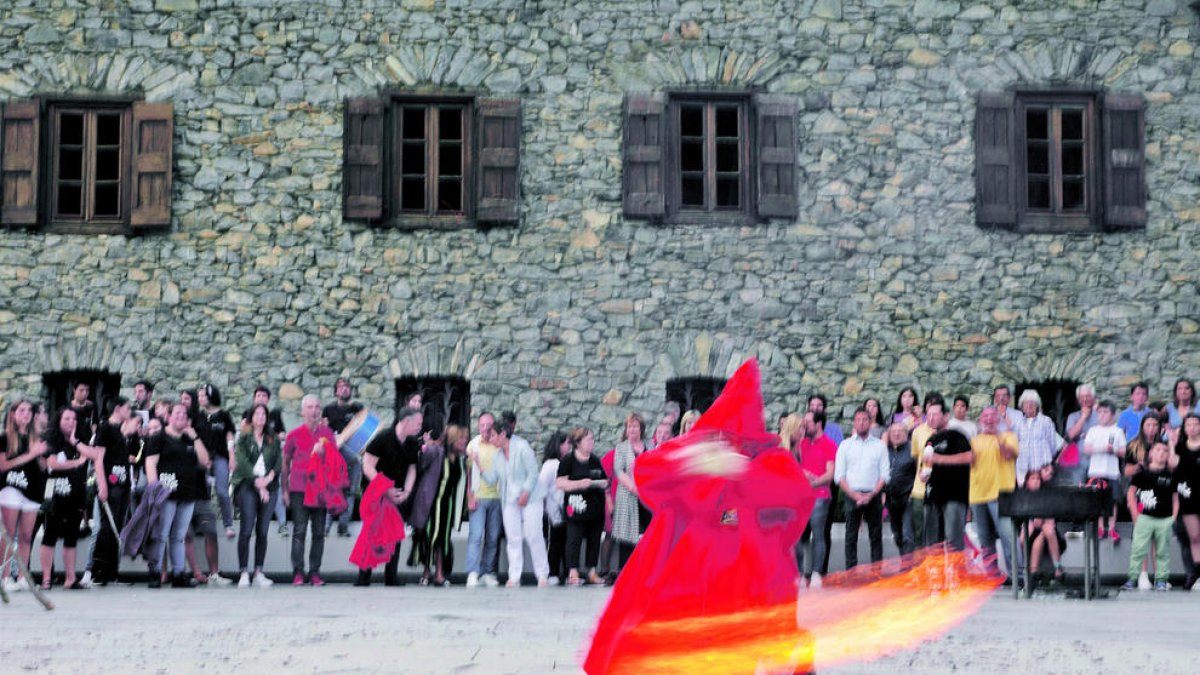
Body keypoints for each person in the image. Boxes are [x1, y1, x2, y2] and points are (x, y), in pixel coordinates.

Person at [144, 402, 208, 588]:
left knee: (179, 535)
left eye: (184, 414)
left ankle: (179, 573)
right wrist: (154, 489)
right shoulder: (159, 437)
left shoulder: (189, 439)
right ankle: (155, 573)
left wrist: (195, 437)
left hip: (187, 492)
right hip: (166, 492)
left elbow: (204, 461)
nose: (181, 416)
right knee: (161, 534)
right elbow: (150, 463)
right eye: (177, 413)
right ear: (168, 417)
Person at [356, 407, 420, 586]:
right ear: (406, 421)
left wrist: (406, 492)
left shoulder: (412, 442)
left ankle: (391, 577)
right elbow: (367, 466)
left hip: (398, 493)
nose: (419, 427)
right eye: (417, 424)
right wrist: (385, 489)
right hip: (377, 492)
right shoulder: (383, 438)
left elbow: (412, 468)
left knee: (395, 534)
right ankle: (363, 577)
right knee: (372, 533)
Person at [38, 408, 100, 590]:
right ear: (58, 420)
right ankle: (46, 578)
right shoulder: (52, 439)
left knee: (71, 535)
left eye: (74, 418)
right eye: (66, 418)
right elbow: (52, 464)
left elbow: (94, 455)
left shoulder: (78, 440)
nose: (71, 422)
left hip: (76, 492)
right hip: (55, 492)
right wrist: (77, 462)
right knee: (50, 534)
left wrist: (75, 441)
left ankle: (70, 578)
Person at [281, 394, 337, 586]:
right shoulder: (294, 435)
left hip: (320, 491)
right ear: (302, 411)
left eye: (317, 407)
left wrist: (325, 452)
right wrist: (284, 490)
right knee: (299, 530)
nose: (314, 411)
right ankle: (298, 571)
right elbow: (285, 464)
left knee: (319, 532)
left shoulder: (327, 434)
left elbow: (335, 462)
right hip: (299, 489)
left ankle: (314, 572)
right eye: (310, 407)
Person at [87, 397, 140, 586]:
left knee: (117, 527)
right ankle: (98, 572)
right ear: (117, 408)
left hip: (123, 483)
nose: (129, 411)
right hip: (110, 484)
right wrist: (102, 485)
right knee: (107, 527)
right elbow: (98, 459)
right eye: (127, 408)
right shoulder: (105, 428)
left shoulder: (121, 430)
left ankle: (112, 572)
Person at [492, 414, 549, 587]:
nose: (491, 439)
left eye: (493, 435)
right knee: (513, 538)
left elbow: (533, 472)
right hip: (509, 499)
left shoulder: (522, 446)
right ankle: (514, 575)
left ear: (503, 434)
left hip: (531, 497)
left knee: (534, 534)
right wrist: (478, 464)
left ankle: (542, 574)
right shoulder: (497, 455)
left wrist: (526, 492)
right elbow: (493, 478)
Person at [0, 399, 47, 592]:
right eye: (22, 410)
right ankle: (4, 577)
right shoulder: (5, 437)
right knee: (9, 535)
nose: (26, 414)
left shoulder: (36, 437)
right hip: (12, 486)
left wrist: (41, 454)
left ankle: (22, 576)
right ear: (13, 414)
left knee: (26, 536)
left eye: (29, 410)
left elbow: (43, 466)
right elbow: (3, 465)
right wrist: (30, 454)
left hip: (33, 489)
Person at [233, 404, 281, 588]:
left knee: (263, 530)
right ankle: (244, 572)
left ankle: (258, 572)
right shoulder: (244, 437)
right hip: (247, 483)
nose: (261, 416)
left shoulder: (272, 437)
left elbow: (278, 461)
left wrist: (268, 479)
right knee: (246, 529)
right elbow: (242, 462)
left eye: (263, 414)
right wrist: (259, 484)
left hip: (270, 485)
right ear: (251, 417)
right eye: (257, 413)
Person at [835, 409, 889, 570]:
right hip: (852, 495)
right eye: (858, 419)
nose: (861, 423)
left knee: (876, 536)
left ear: (870, 422)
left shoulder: (879, 445)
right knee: (851, 536)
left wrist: (872, 494)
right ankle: (851, 572)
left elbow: (885, 474)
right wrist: (854, 495)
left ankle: (877, 572)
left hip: (874, 494)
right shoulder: (845, 445)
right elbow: (839, 475)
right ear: (854, 422)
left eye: (865, 419)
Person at [786, 411, 835, 586]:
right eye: (802, 424)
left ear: (818, 424)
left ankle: (816, 574)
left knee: (818, 535)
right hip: (800, 498)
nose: (804, 426)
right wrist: (803, 477)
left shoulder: (829, 444)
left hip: (820, 496)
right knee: (796, 536)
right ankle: (798, 574)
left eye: (807, 423)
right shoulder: (800, 443)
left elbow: (830, 474)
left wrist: (811, 484)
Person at [1121, 442, 1178, 592]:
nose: (1161, 453)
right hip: (1144, 517)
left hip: (1164, 519)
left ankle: (1161, 580)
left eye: (1165, 451)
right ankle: (1132, 579)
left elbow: (1175, 498)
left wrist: (1173, 517)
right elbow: (1131, 492)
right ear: (1151, 453)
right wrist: (1134, 513)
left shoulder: (1170, 476)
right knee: (1138, 549)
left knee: (1162, 551)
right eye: (1157, 450)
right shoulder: (1142, 474)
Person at [969, 407, 1019, 576]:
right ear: (980, 420)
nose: (989, 419)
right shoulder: (974, 440)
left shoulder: (1009, 436)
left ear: (998, 419)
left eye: (992, 416)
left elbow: (1009, 455)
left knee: (1008, 536)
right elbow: (969, 462)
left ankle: (1018, 576)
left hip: (1000, 494)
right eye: (985, 416)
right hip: (977, 494)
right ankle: (992, 575)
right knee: (985, 540)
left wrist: (997, 435)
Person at [557, 427, 608, 585]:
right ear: (578, 443)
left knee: (594, 539)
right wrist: (580, 483)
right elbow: (560, 483)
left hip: (595, 508)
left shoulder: (595, 460)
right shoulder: (568, 460)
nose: (592, 442)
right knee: (574, 539)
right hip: (576, 507)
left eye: (592, 439)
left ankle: (592, 571)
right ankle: (573, 572)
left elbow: (604, 479)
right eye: (588, 439)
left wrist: (602, 484)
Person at [921, 400, 972, 551]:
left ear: (945, 416)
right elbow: (925, 464)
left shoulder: (956, 435)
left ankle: (956, 568)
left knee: (953, 545)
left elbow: (969, 457)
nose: (931, 418)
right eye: (928, 415)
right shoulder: (930, 440)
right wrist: (922, 474)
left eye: (935, 414)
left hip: (954, 496)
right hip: (932, 497)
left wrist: (940, 459)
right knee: (932, 546)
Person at [424, 424, 467, 586]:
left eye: (465, 438)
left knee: (443, 539)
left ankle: (439, 574)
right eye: (461, 438)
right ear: (452, 440)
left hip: (447, 505)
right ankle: (427, 573)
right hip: (434, 504)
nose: (464, 441)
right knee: (432, 537)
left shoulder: (460, 459)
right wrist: (428, 445)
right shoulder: (439, 454)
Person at [322, 378, 364, 538]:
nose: (344, 389)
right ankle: (326, 526)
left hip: (353, 454)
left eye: (347, 386)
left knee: (350, 491)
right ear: (336, 391)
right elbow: (324, 431)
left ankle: (343, 526)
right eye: (340, 386)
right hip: (334, 455)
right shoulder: (328, 409)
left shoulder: (358, 408)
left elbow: (365, 429)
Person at [464, 411, 502, 588]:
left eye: (489, 425)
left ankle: (487, 572)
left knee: (493, 538)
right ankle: (472, 572)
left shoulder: (499, 445)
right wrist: (470, 496)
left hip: (497, 497)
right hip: (478, 497)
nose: (485, 428)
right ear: (478, 426)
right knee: (476, 536)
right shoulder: (473, 445)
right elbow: (468, 474)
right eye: (482, 425)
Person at [609, 414, 647, 577]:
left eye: (635, 426)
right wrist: (634, 488)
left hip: (647, 497)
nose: (631, 429)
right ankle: (625, 573)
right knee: (627, 536)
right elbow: (619, 471)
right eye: (629, 426)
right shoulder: (621, 448)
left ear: (641, 429)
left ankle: (645, 572)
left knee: (649, 533)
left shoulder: (649, 445)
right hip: (628, 496)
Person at [196, 384, 236, 539]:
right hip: (202, 459)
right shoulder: (198, 416)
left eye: (203, 395)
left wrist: (232, 456)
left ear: (211, 396)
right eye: (199, 396)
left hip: (220, 457)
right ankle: (202, 524)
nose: (200, 399)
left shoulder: (223, 415)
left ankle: (228, 524)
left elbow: (229, 435)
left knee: (222, 491)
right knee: (203, 492)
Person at [1083, 401, 1126, 541]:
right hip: (1095, 472)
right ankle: (1101, 528)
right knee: (1098, 501)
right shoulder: (1093, 430)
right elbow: (1087, 449)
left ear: (1112, 415)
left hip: (1112, 472)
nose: (1102, 415)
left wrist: (1113, 450)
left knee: (1113, 501)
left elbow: (1124, 451)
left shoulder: (1117, 431)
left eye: (1105, 412)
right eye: (1100, 412)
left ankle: (1112, 528)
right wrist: (1102, 448)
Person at [1021, 465, 1065, 582]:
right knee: (1028, 533)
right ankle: (1029, 570)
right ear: (1027, 482)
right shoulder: (1022, 496)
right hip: (1032, 530)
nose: (1036, 481)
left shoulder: (1046, 494)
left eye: (1038, 479)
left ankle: (1055, 568)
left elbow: (1052, 517)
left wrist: (1043, 518)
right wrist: (1032, 521)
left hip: (1048, 531)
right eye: (1033, 478)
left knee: (1047, 530)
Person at [539, 430, 570, 584]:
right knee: (555, 542)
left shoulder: (565, 462)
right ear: (559, 445)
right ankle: (553, 572)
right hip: (554, 511)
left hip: (566, 509)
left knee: (566, 542)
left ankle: (566, 573)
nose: (569, 446)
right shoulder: (551, 465)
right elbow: (542, 488)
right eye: (567, 443)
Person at [1174, 414, 1200, 590]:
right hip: (1187, 497)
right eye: (1188, 424)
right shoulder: (1179, 448)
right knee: (1194, 537)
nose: (1192, 427)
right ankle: (1196, 574)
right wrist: (1171, 443)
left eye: (1196, 424)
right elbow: (1172, 467)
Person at [1013, 389, 1060, 486]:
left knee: (1044, 495)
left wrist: (1046, 463)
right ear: (1022, 406)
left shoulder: (1046, 421)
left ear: (1037, 405)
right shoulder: (1017, 424)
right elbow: (1015, 445)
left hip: (1042, 470)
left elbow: (1053, 447)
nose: (1029, 405)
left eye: (1032, 402)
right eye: (1026, 403)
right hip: (1023, 470)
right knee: (1024, 495)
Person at [884, 422, 917, 556]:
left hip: (907, 498)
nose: (896, 434)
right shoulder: (885, 451)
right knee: (897, 535)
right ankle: (905, 559)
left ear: (906, 434)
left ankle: (907, 565)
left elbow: (918, 472)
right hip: (891, 500)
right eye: (893, 432)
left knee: (907, 534)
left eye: (900, 431)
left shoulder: (912, 450)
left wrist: (913, 492)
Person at [1165, 377, 1197, 443]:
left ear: (1192, 391)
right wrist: (1167, 427)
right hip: (1174, 442)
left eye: (1187, 388)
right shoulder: (1170, 407)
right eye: (1179, 388)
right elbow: (1158, 419)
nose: (1183, 392)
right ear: (1175, 392)